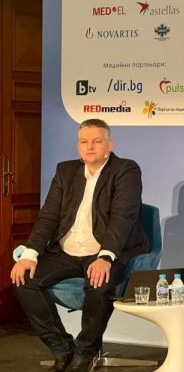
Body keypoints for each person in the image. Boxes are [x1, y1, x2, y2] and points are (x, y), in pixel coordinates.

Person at [10, 119, 149, 372]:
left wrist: (105, 257)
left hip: (105, 250)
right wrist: (30, 253)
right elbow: (48, 216)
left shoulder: (126, 170)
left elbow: (122, 217)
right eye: (84, 142)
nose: (90, 147)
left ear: (109, 145)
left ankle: (85, 352)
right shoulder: (65, 171)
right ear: (78, 146)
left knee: (99, 283)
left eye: (97, 141)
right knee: (24, 278)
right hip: (67, 250)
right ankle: (62, 347)